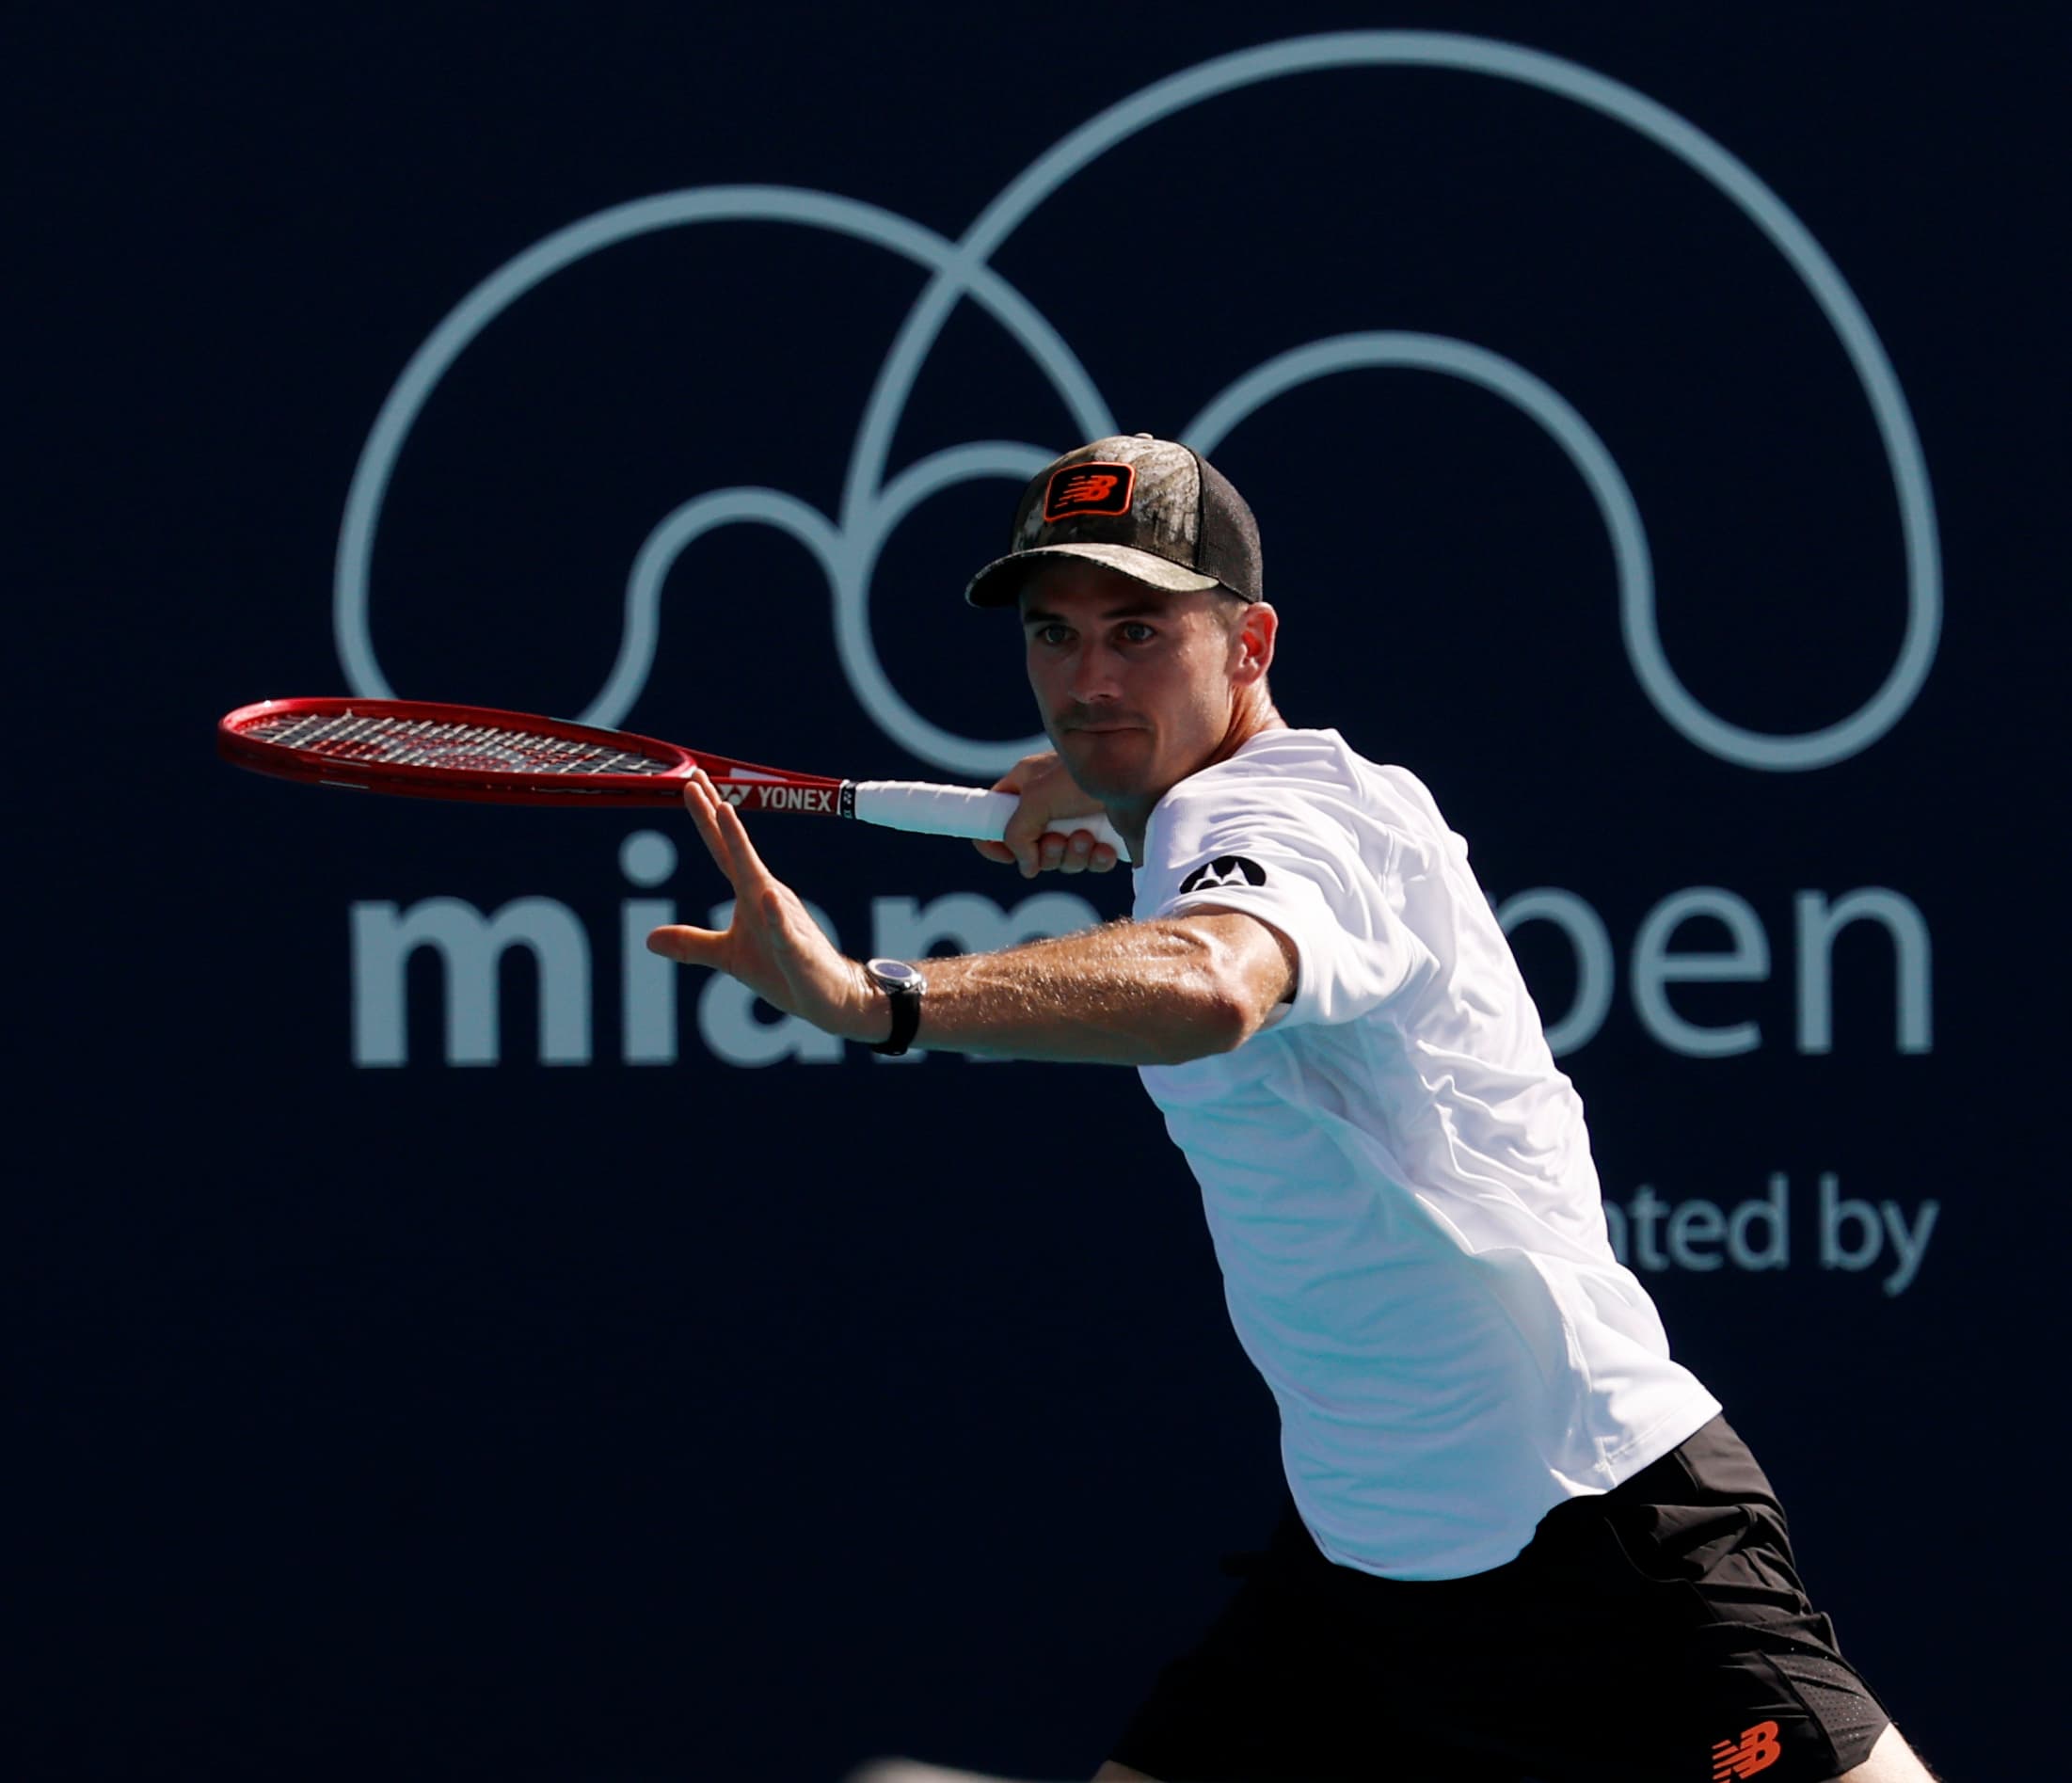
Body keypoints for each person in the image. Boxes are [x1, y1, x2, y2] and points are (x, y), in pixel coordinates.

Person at [646, 437, 1935, 1782]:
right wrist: (1118, 789)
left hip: (1592, 1522)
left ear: (1249, 641)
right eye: (1055, 635)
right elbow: (1189, 841)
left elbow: (1211, 981)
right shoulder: (1228, 807)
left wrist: (878, 998)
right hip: (1363, 1560)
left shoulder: (1293, 819)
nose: (1088, 681)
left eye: (1140, 630)